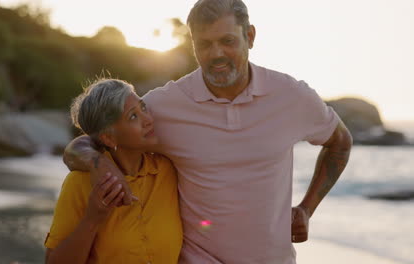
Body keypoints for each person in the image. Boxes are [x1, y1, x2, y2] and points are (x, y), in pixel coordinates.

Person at [64, 0, 353, 263]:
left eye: (227, 41)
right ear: (193, 45)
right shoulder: (164, 105)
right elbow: (88, 141)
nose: (216, 54)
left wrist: (306, 208)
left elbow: (340, 141)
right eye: (204, 44)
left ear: (250, 37)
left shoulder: (291, 96)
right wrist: (100, 165)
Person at [44, 79, 183, 264]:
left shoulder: (168, 170)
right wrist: (92, 219)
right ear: (108, 138)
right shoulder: (79, 183)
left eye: (143, 108)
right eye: (133, 116)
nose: (148, 120)